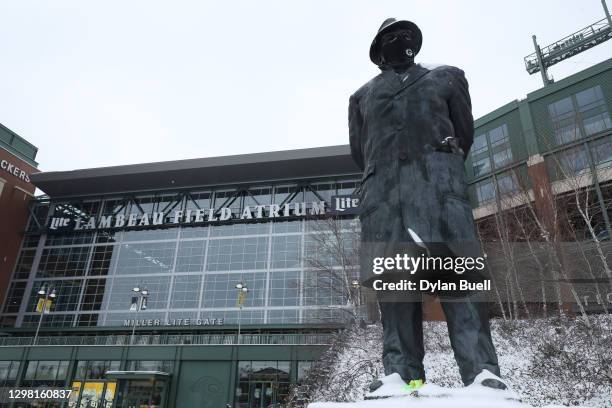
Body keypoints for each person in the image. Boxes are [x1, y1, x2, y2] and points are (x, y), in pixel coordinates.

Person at [348, 18, 507, 392]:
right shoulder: (361, 97)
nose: (398, 41)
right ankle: (403, 377)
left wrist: (436, 166)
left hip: (440, 195)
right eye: (389, 37)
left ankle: (481, 372)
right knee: (396, 292)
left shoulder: (448, 78)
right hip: (386, 204)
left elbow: (463, 134)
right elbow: (362, 152)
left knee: (460, 284)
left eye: (403, 35)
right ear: (378, 50)